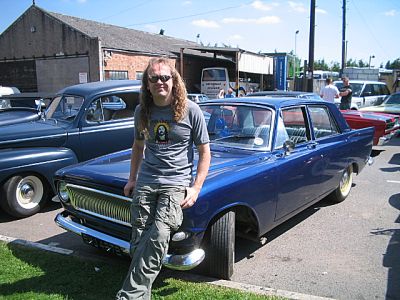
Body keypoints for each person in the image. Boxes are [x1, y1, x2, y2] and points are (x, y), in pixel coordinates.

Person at [116, 57, 211, 300]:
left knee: (158, 235)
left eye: (165, 77)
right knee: (139, 239)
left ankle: (129, 296)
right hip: (147, 181)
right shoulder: (142, 111)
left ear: (174, 80)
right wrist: (132, 179)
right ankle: (141, 294)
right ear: (147, 84)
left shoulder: (191, 110)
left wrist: (196, 187)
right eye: (154, 78)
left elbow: (204, 152)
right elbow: (138, 147)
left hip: (175, 182)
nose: (160, 81)